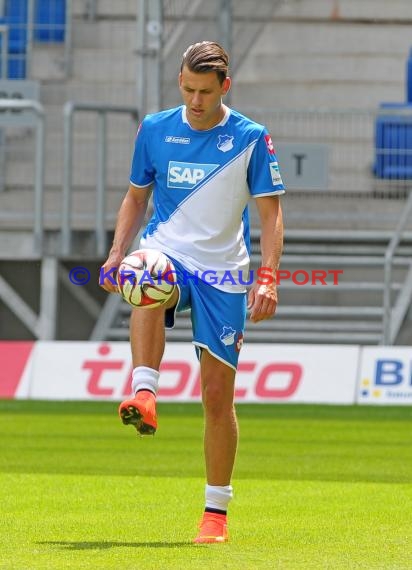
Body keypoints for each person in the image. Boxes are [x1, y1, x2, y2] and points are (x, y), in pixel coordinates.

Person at [100, 41, 285, 544]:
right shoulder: (156, 129)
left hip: (223, 273)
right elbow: (136, 197)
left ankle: (215, 514)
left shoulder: (250, 138)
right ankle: (145, 390)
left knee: (217, 399)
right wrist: (117, 252)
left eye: (204, 91)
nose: (195, 100)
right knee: (143, 273)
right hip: (169, 253)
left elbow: (270, 215)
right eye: (186, 89)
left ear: (226, 86)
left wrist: (268, 275)